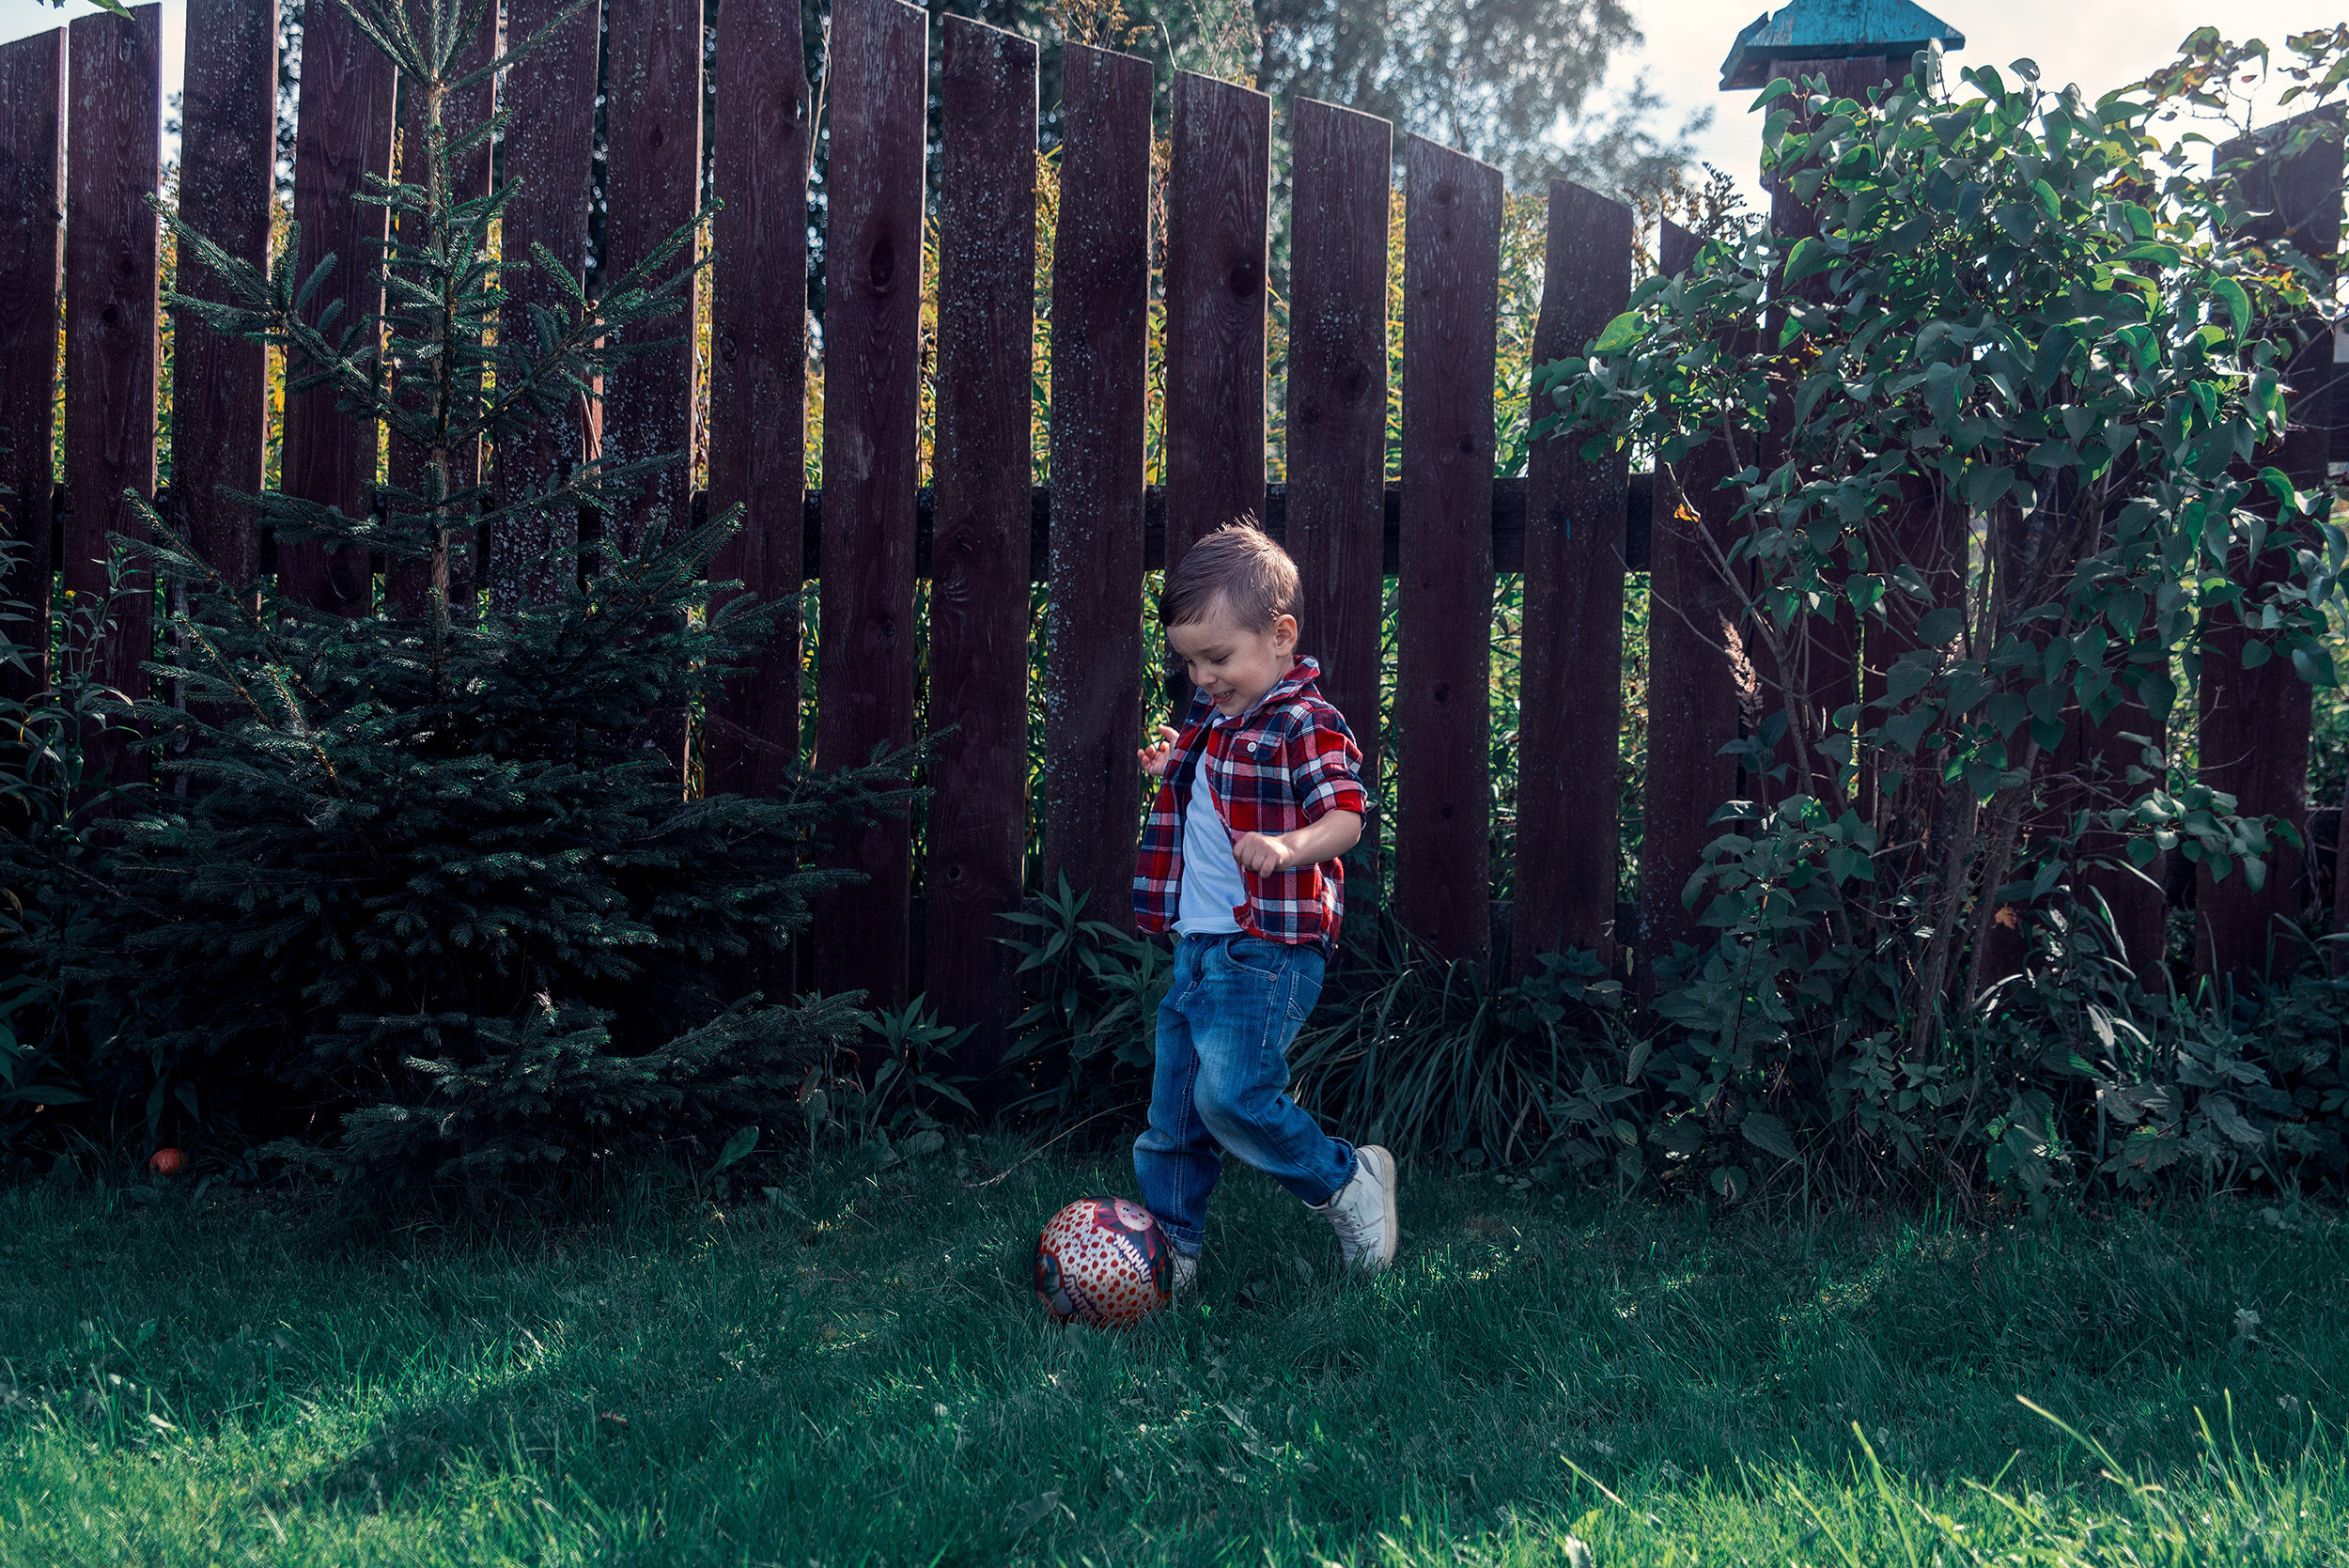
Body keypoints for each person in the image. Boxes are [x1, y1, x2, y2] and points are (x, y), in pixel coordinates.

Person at [1131, 520, 1398, 1293]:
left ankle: (1346, 1182)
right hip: (1199, 948)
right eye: (1189, 662)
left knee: (1233, 1093)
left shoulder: (1304, 722)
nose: (1202, 676)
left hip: (1267, 949)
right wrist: (1168, 762)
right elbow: (1207, 785)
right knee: (1174, 1111)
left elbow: (1346, 816)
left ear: (1281, 637)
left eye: (1217, 658)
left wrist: (1288, 847)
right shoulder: (1214, 720)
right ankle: (1172, 1252)